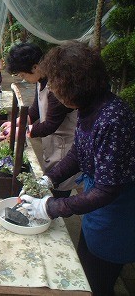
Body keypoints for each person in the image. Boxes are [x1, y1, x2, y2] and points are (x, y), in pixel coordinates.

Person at [19, 41, 135, 296]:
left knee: (99, 280)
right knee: (86, 263)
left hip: (115, 211)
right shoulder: (89, 107)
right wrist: (49, 179)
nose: (54, 94)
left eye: (57, 88)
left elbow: (107, 189)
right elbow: (79, 153)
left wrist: (53, 207)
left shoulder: (112, 119)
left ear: (75, 86)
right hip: (97, 202)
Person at [0, 43, 80, 198]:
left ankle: (54, 214)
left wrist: (23, 131)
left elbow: (50, 125)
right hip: (53, 143)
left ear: (35, 67)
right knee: (51, 182)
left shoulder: (57, 85)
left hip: (65, 146)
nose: (23, 79)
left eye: (23, 75)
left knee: (59, 189)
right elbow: (35, 111)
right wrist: (18, 122)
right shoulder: (40, 80)